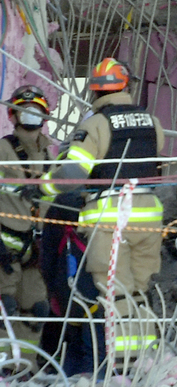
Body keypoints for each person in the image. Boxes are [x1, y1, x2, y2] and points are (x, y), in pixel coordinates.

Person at [21, 57, 165, 315]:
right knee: (140, 291)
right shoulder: (152, 122)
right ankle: (147, 352)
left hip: (111, 219)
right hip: (149, 216)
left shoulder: (95, 125)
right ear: (127, 87)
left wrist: (42, 188)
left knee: (116, 294)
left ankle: (122, 356)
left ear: (95, 90)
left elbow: (73, 173)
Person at [0, 85, 52, 332]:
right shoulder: (3, 150)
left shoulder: (48, 156)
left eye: (36, 110)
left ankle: (26, 367)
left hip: (34, 247)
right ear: (13, 115)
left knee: (36, 310)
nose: (31, 114)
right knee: (4, 307)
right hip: (5, 247)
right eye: (25, 110)